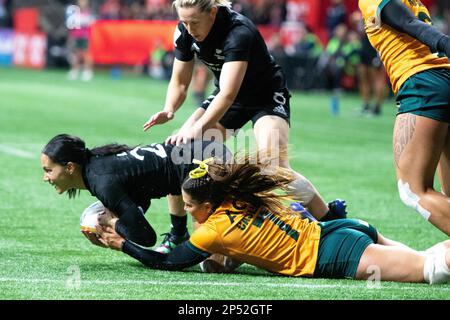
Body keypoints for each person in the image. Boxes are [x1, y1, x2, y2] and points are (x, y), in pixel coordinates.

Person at [97, 156, 450, 284]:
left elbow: (170, 262)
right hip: (337, 230)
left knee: (431, 270)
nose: (187, 212)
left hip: (333, 254)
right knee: (428, 257)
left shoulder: (215, 230)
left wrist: (122, 243)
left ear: (208, 204)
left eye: (190, 206)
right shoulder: (239, 195)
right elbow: (298, 184)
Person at [141, 0, 336, 221]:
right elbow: (180, 82)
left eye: (194, 22)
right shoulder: (184, 32)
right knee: (180, 153)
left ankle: (330, 217)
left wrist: (197, 127)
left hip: (265, 97)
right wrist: (169, 108)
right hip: (228, 96)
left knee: (273, 168)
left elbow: (228, 94)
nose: (189, 28)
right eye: (184, 21)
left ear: (212, 12)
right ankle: (177, 234)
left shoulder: (238, 32)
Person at [40, 134, 231, 252]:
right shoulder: (96, 163)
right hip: (203, 151)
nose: (45, 178)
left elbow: (146, 237)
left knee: (213, 262)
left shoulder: (102, 182)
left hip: (209, 162)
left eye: (48, 170)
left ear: (70, 167)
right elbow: (143, 197)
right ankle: (179, 235)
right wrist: (123, 218)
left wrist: (113, 224)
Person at [358, 0, 450, 235]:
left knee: (412, 189)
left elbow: (407, 23)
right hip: (444, 79)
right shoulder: (415, 2)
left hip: (422, 85)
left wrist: (445, 42)